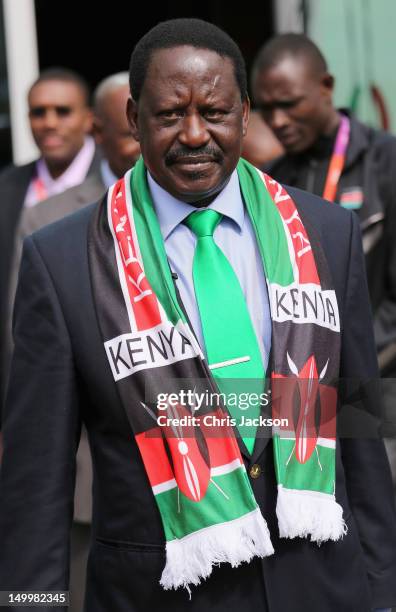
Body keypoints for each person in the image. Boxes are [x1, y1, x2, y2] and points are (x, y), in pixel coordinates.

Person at [0, 19, 395, 612]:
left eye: (214, 113)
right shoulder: (61, 261)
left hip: (320, 588)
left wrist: (384, 591)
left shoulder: (325, 232)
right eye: (168, 115)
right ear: (133, 119)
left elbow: (357, 435)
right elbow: (37, 485)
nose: (193, 135)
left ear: (244, 114)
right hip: (157, 593)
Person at [6, 71, 139, 612]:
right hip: (91, 456)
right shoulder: (48, 220)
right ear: (103, 131)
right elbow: (31, 348)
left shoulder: (251, 214)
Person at [251, 32, 396, 498]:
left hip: (376, 386)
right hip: (304, 399)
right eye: (267, 108)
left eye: (290, 104)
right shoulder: (273, 179)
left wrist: (350, 366)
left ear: (326, 87)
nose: (278, 120)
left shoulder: (386, 163)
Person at [0, 68, 101, 406]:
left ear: (89, 119)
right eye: (38, 112)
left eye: (63, 111)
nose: (49, 123)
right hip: (27, 381)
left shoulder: (115, 181)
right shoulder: (7, 188)